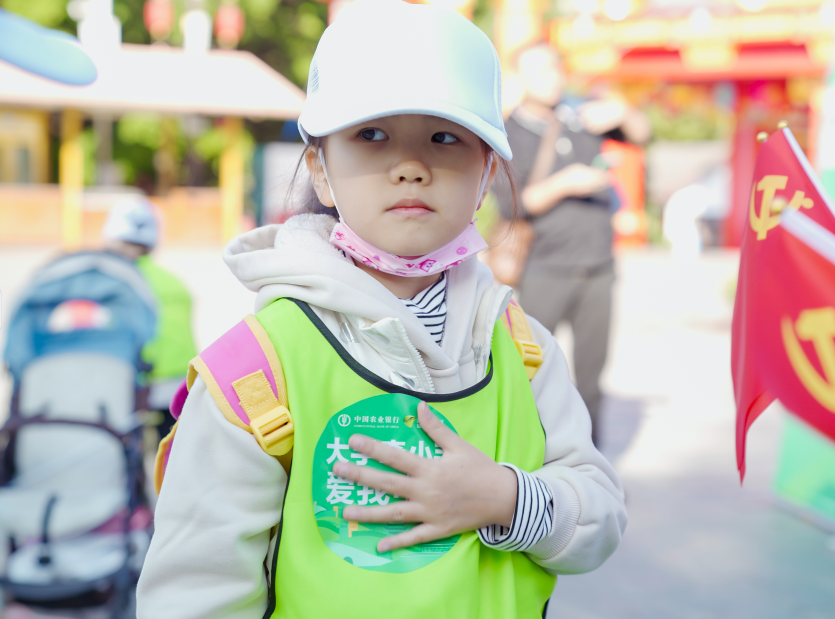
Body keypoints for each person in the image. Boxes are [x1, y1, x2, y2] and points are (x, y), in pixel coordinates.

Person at [136, 4, 625, 618]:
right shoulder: (255, 375)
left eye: (444, 137)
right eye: (371, 134)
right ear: (319, 168)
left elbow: (600, 519)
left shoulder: (524, 351)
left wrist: (506, 499)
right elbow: (193, 597)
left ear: (486, 171)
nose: (410, 166)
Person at [503, 42, 651, 445]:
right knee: (529, 375)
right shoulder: (508, 133)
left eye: (555, 67)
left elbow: (642, 133)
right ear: (520, 78)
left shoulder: (584, 116)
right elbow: (512, 204)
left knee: (591, 381)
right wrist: (566, 184)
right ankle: (529, 462)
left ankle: (590, 466)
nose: (551, 77)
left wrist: (623, 110)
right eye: (539, 70)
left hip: (598, 266)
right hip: (543, 269)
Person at [101, 197, 198, 438]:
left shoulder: (113, 283)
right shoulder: (174, 282)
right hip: (180, 384)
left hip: (137, 383)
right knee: (168, 451)